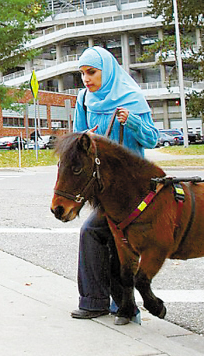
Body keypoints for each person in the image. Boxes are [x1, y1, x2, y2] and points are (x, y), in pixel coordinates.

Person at [70, 46, 159, 321]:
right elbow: (77, 138)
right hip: (105, 187)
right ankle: (103, 302)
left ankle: (118, 305)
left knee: (99, 233)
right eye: (82, 73)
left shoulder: (131, 98)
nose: (86, 79)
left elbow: (152, 139)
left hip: (133, 187)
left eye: (92, 72)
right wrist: (84, 137)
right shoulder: (84, 99)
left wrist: (132, 122)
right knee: (97, 234)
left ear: (106, 71)